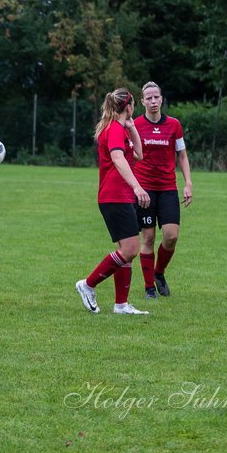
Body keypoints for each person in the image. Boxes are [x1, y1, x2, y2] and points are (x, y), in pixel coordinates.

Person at [75, 88, 152, 315]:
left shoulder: (121, 128)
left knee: (125, 250)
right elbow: (118, 158)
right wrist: (137, 186)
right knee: (130, 249)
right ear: (128, 107)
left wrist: (133, 127)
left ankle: (121, 305)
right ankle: (87, 285)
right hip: (114, 196)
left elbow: (138, 154)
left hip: (120, 196)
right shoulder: (114, 130)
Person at [133, 81, 194, 299]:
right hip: (144, 190)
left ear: (161, 98)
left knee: (171, 236)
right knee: (148, 238)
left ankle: (159, 273)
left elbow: (182, 156)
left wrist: (188, 183)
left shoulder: (174, 125)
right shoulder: (135, 125)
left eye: (156, 97)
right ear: (142, 102)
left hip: (168, 188)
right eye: (148, 98)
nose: (153, 101)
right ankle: (149, 287)